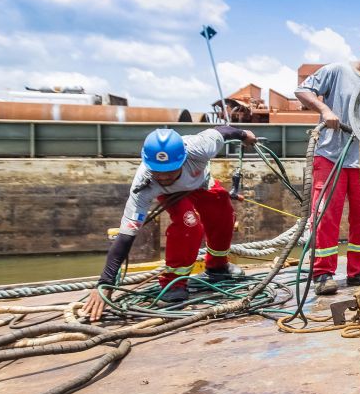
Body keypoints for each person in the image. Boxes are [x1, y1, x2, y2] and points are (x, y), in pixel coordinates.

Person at [82, 126, 256, 321]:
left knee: (223, 211)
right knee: (188, 224)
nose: (164, 177)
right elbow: (125, 237)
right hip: (171, 194)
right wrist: (104, 283)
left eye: (170, 171)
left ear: (183, 159)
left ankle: (217, 267)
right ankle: (173, 284)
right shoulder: (144, 185)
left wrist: (244, 135)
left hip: (200, 181)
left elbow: (223, 132)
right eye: (158, 172)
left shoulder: (200, 147)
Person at [295, 29, 360, 296]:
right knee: (325, 216)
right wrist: (325, 110)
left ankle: (357, 271)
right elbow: (302, 90)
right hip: (331, 156)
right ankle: (323, 273)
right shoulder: (338, 71)